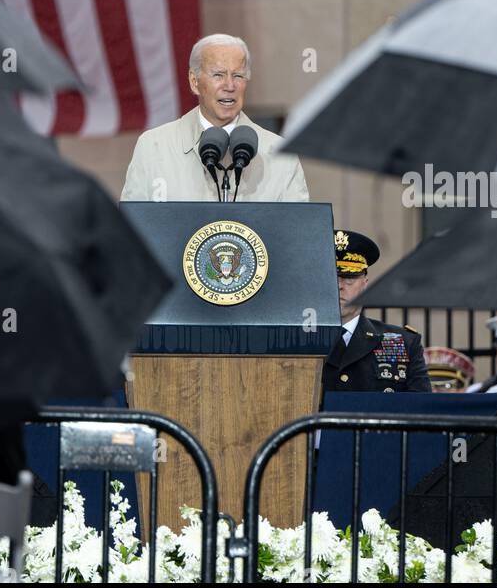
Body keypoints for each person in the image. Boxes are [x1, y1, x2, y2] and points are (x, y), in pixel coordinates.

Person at [120, 34, 309, 202]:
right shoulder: (153, 147)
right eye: (218, 75)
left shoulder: (280, 154)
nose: (229, 85)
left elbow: (297, 234)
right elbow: (130, 232)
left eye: (238, 75)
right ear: (194, 82)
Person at [322, 230, 431, 394]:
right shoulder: (298, 341)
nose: (339, 286)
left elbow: (420, 410)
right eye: (331, 278)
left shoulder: (404, 343)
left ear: (365, 284)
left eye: (349, 278)